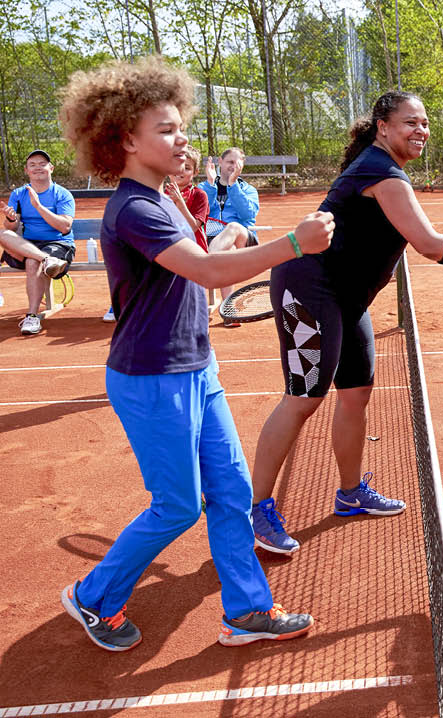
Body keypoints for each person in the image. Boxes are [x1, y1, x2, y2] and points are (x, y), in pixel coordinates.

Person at [57, 56, 332, 651]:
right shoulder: (131, 208)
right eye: (165, 129)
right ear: (124, 139)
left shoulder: (162, 199)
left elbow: (202, 249)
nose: (181, 137)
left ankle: (247, 610)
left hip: (196, 368)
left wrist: (188, 196)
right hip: (151, 377)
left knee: (231, 491)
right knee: (177, 506)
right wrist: (292, 244)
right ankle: (92, 596)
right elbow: (207, 271)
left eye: (182, 127)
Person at [247, 91, 443, 555]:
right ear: (382, 127)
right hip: (310, 290)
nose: (420, 131)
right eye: (409, 123)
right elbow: (430, 246)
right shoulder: (382, 172)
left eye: (424, 123)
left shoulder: (383, 169)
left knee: (356, 393)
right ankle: (256, 510)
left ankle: (351, 492)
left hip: (346, 299)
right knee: (303, 398)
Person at [104, 145, 209, 322]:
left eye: (188, 168)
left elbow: (192, 227)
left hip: (193, 251)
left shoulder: (199, 195)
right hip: (164, 251)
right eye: (178, 165)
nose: (181, 171)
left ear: (196, 172)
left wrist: (180, 204)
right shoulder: (157, 194)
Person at [0, 150, 75, 335]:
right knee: (2, 234)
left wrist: (38, 207)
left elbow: (64, 227)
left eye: (42, 163)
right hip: (29, 245)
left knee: (33, 262)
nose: (37, 167)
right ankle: (46, 259)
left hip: (59, 244)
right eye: (32, 165)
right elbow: (11, 229)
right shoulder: (18, 194)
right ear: (27, 170)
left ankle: (32, 317)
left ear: (51, 168)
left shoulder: (62, 194)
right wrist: (10, 219)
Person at [200, 147, 260, 311]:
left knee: (233, 227)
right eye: (229, 162)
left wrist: (233, 186)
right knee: (227, 250)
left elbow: (247, 214)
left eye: (237, 162)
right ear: (220, 162)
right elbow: (201, 211)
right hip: (214, 241)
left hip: (244, 239)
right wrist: (211, 185)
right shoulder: (204, 187)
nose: (233, 166)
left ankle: (209, 261)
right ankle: (229, 309)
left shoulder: (248, 190)